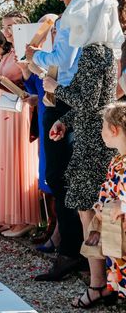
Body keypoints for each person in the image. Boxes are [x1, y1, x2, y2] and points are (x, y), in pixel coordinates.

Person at [43, 0, 123, 307]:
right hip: (96, 135)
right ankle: (108, 281)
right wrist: (65, 120)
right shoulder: (108, 52)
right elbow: (97, 102)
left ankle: (97, 283)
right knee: (100, 210)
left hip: (92, 143)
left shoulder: (92, 53)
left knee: (88, 210)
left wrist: (55, 89)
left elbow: (89, 102)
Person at [26, 0, 91, 281]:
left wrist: (34, 55)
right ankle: (77, 251)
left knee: (61, 177)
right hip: (83, 102)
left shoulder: (71, 17)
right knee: (69, 177)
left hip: (64, 101)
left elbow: (62, 60)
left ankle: (70, 252)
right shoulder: (95, 14)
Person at [0, 11, 40, 239]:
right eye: (4, 27)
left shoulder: (26, 52)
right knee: (6, 162)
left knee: (18, 161)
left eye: (12, 27)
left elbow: (29, 86)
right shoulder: (8, 53)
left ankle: (23, 218)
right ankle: (7, 216)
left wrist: (5, 79)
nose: (6, 31)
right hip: (7, 110)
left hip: (21, 112)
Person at [18, 14, 59, 250]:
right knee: (45, 173)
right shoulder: (41, 57)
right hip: (44, 116)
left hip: (55, 118)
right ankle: (51, 226)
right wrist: (26, 70)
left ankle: (56, 230)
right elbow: (34, 88)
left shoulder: (56, 56)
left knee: (54, 173)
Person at [85, 102, 126, 303]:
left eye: (102, 126)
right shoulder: (116, 161)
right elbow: (108, 187)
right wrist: (101, 205)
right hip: (116, 230)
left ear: (114, 130)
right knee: (118, 264)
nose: (101, 131)